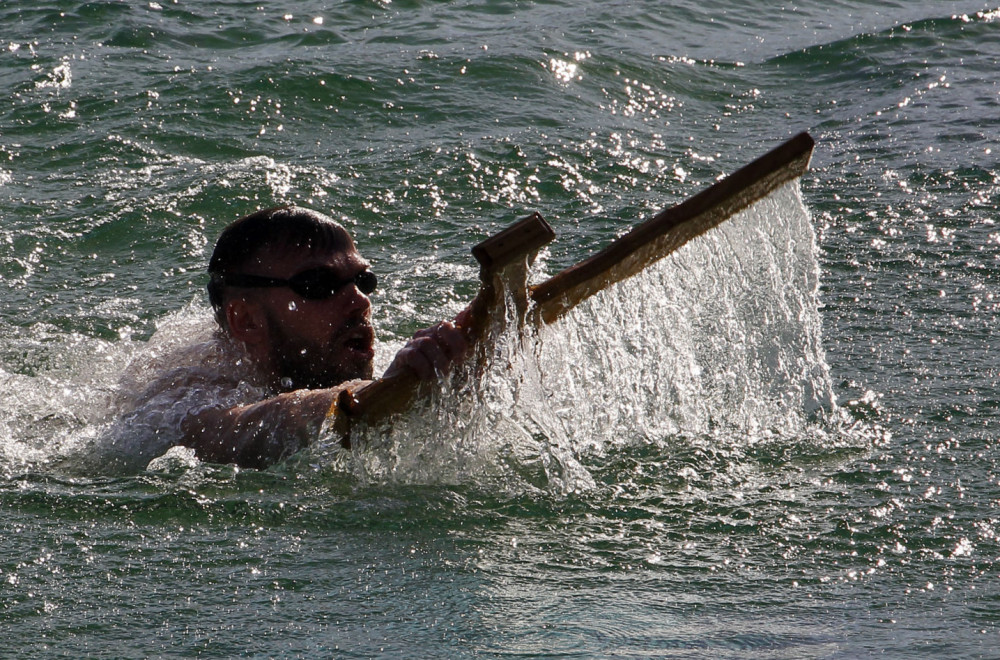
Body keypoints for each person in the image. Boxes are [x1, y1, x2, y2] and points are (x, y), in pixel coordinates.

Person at [103, 205, 469, 471]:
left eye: (363, 280)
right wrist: (374, 392)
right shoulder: (189, 397)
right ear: (246, 320)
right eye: (318, 285)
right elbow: (253, 425)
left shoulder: (325, 352)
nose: (360, 300)